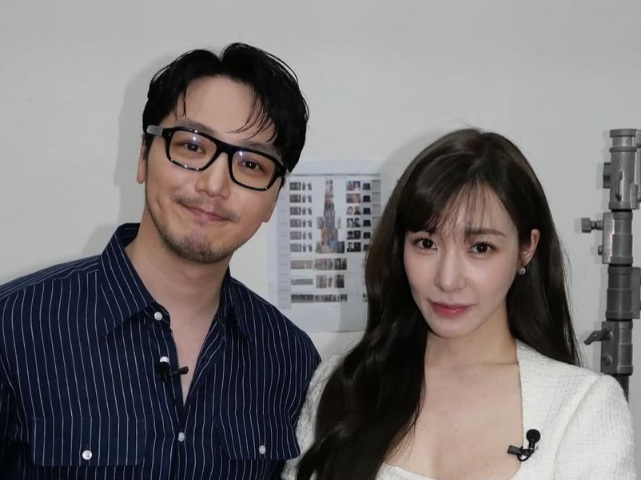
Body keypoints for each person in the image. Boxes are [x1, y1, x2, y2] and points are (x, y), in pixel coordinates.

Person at [0, 43, 320, 479]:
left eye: (251, 164)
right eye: (192, 146)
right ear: (142, 157)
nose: (214, 185)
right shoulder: (15, 326)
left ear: (274, 198)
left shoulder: (290, 359)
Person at [283, 129, 635, 480]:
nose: (448, 280)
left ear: (526, 249)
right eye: (426, 243)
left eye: (480, 248)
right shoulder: (344, 385)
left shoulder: (581, 408)